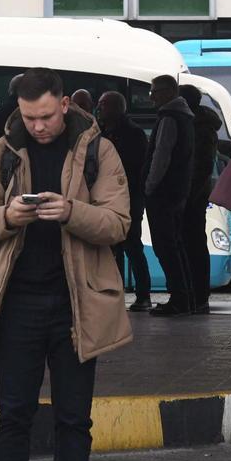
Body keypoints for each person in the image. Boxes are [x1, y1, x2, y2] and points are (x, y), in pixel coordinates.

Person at [0, 68, 130, 461]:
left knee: (74, 416)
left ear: (63, 104)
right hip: (17, 304)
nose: (38, 126)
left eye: (45, 115)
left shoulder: (98, 150)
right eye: (29, 116)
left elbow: (119, 222)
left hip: (76, 303)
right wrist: (8, 217)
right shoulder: (2, 151)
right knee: (12, 413)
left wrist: (71, 212)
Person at [144, 75, 195, 317]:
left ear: (169, 92)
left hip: (163, 192)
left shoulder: (169, 118)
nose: (151, 96)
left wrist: (149, 186)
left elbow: (161, 156)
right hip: (178, 191)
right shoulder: (185, 117)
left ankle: (178, 299)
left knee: (165, 246)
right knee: (176, 245)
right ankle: (186, 297)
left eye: (155, 91)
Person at [97, 90, 151, 312]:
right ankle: (115, 292)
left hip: (128, 197)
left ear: (117, 108)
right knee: (113, 247)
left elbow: (132, 167)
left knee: (131, 245)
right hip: (110, 197)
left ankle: (143, 295)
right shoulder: (104, 131)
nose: (99, 109)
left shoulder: (131, 134)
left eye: (103, 105)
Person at [179, 85, 222, 316]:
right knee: (192, 244)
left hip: (191, 196)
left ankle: (197, 295)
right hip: (193, 194)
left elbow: (200, 166)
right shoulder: (201, 124)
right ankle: (194, 295)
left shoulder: (198, 128)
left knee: (193, 244)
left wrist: (186, 195)